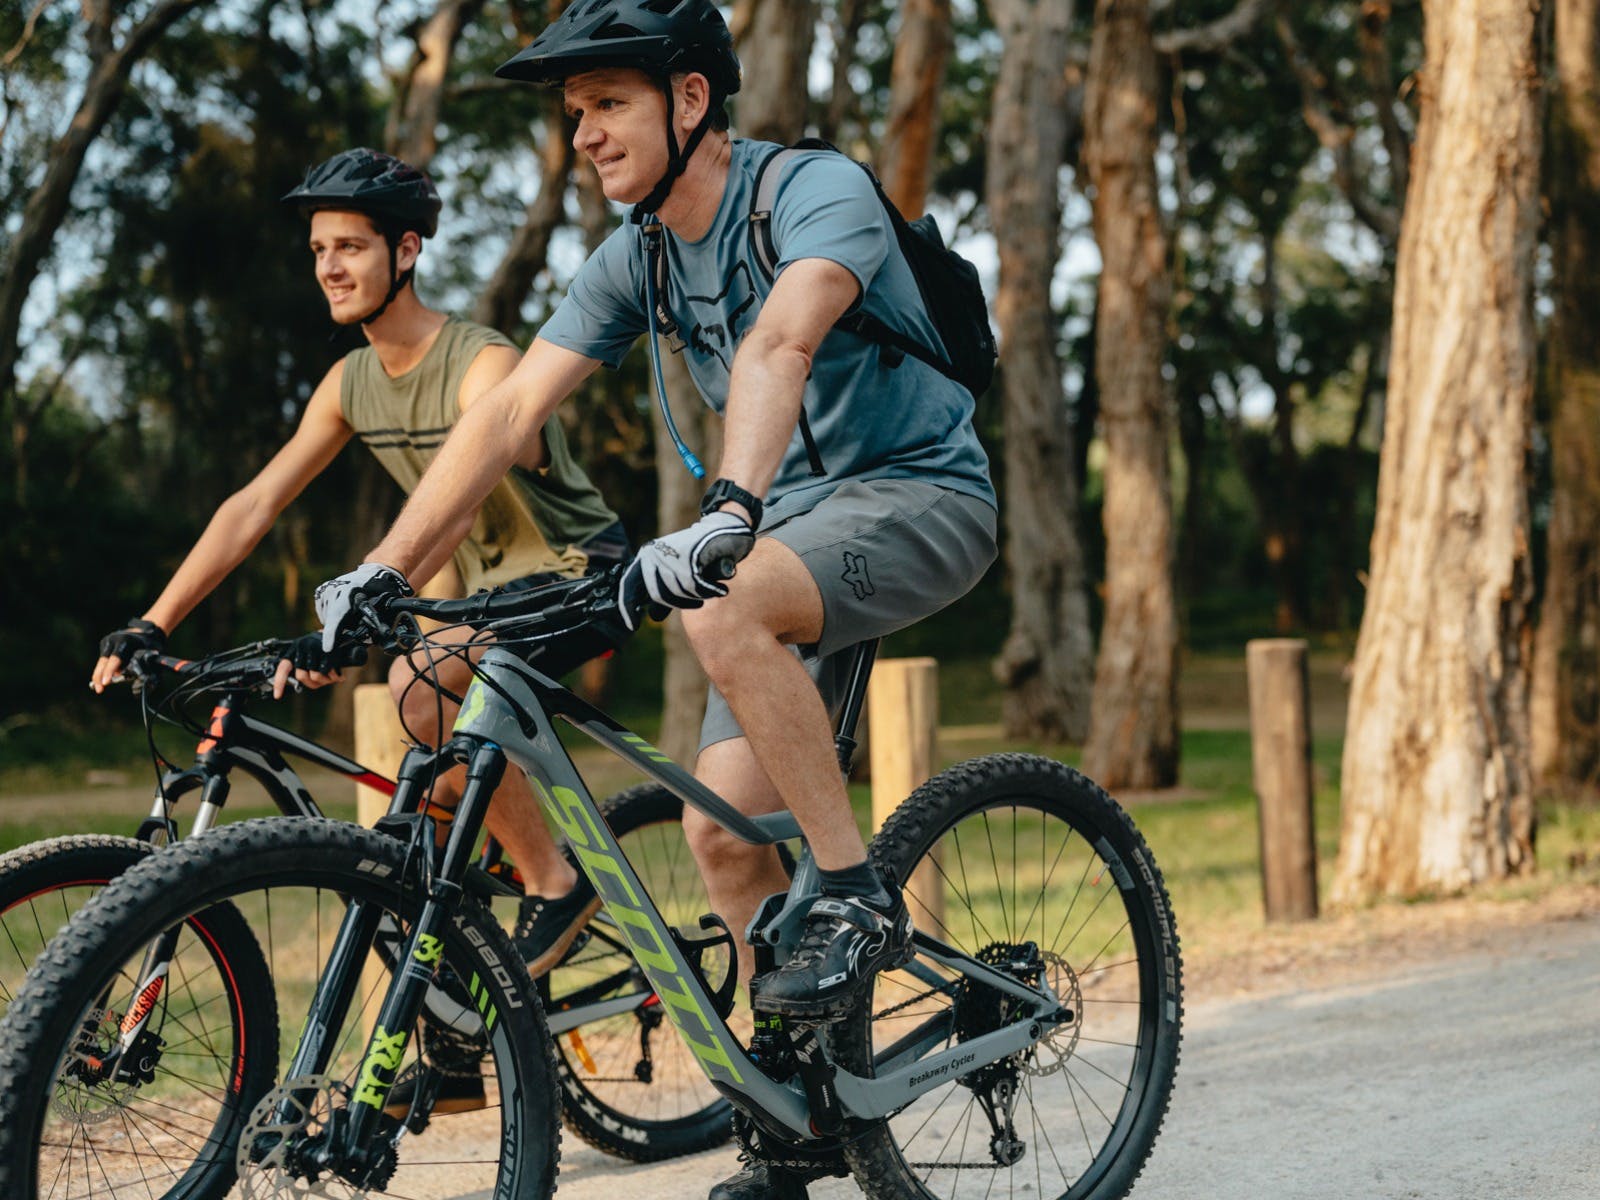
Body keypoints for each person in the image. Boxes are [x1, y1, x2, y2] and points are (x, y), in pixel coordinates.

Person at [310, 7, 997, 1193]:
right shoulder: (637, 255)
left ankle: (852, 896)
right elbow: (510, 413)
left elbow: (783, 342)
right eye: (573, 114)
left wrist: (727, 510)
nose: (582, 134)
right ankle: (805, 1125)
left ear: (689, 101)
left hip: (918, 496)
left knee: (718, 605)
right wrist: (386, 570)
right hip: (785, 536)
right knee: (722, 837)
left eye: (608, 104)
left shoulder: (812, 191)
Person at [90, 147, 626, 1000]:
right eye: (317, 251)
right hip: (475, 593)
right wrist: (156, 621)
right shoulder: (350, 382)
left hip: (572, 571)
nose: (329, 268)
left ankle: (556, 884)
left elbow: (491, 454)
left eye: (350, 247)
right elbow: (253, 504)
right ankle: (454, 1041)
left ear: (405, 252)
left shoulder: (479, 361)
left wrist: (377, 600)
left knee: (423, 688)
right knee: (414, 835)